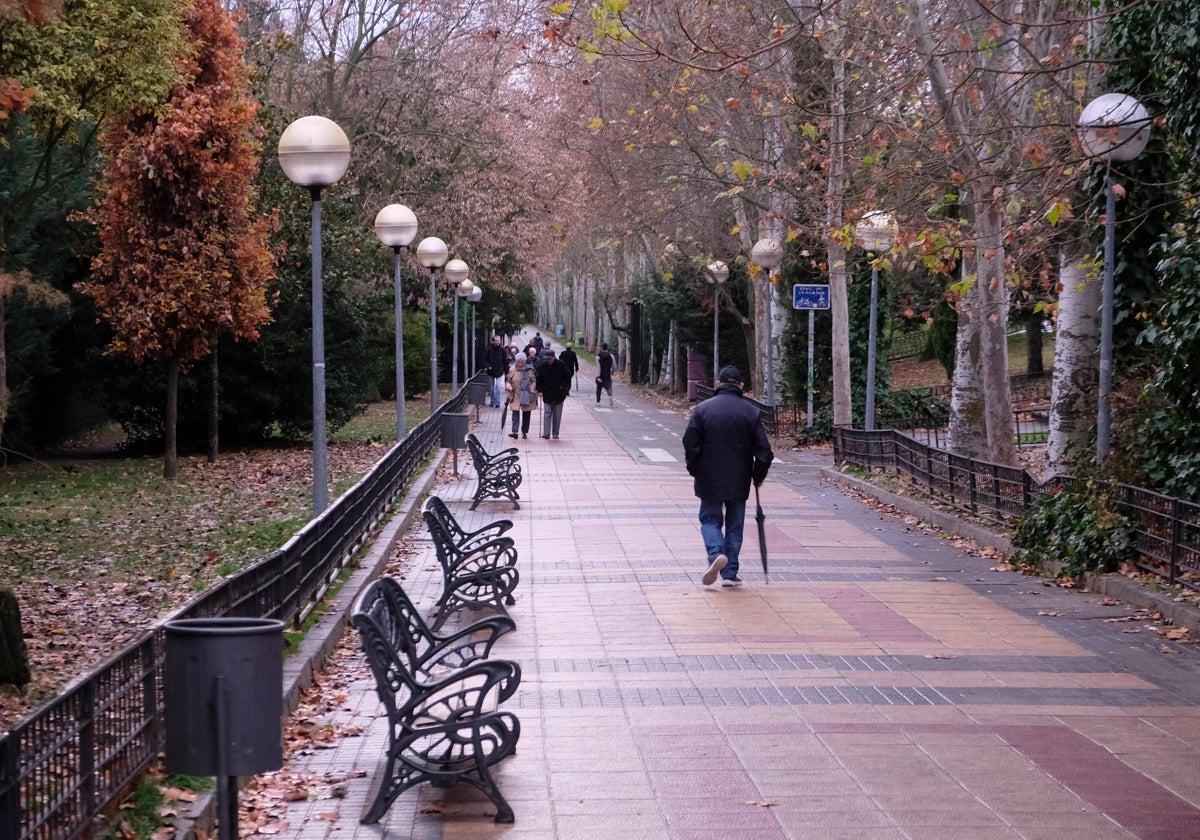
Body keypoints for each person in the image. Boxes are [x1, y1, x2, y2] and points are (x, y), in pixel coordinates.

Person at [682, 366, 774, 587]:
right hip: (739, 478)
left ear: (717, 384)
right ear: (741, 385)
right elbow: (764, 453)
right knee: (735, 525)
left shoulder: (702, 410)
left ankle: (716, 555)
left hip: (709, 477)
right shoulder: (750, 412)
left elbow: (690, 443)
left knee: (709, 519)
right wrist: (757, 476)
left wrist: (694, 468)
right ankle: (730, 573)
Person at [535, 349, 572, 439]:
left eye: (550, 359)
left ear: (554, 357)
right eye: (547, 359)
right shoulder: (543, 366)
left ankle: (555, 433)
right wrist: (540, 390)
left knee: (557, 415)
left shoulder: (561, 365)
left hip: (559, 394)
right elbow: (539, 379)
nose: (548, 361)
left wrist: (564, 388)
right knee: (547, 413)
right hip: (547, 393)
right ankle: (546, 433)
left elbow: (568, 376)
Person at [505, 355, 538, 439]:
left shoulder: (529, 370)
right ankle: (515, 432)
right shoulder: (512, 369)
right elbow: (508, 381)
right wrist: (509, 386)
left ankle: (524, 432)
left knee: (526, 413)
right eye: (518, 362)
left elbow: (533, 381)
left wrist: (531, 390)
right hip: (515, 394)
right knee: (515, 413)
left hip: (526, 394)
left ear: (525, 361)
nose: (520, 364)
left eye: (522, 362)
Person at [484, 335, 508, 407]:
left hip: (499, 371)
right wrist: (488, 366)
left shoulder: (502, 350)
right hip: (491, 371)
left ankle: (497, 402)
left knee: (497, 386)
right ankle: (492, 401)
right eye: (496, 340)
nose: (498, 342)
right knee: (491, 388)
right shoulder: (488, 349)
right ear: (493, 341)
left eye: (499, 340)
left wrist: (506, 371)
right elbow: (485, 359)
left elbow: (505, 361)